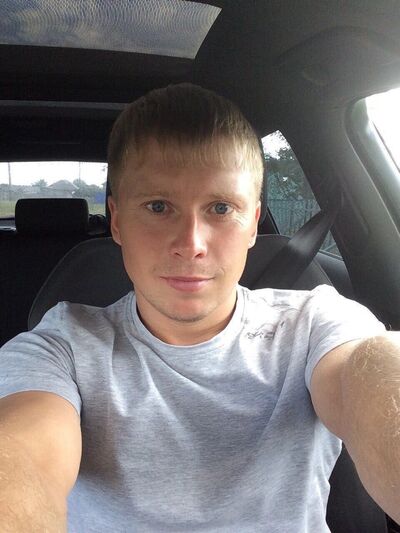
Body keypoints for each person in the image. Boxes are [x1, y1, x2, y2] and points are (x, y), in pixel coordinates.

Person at [0, 83, 399, 532]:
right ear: (117, 221)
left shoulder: (314, 324)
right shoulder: (63, 347)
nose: (191, 244)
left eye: (221, 208)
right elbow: (22, 456)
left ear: (253, 223)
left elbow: (374, 375)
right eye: (158, 206)